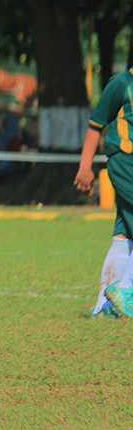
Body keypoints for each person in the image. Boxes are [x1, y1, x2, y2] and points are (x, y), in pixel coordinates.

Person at [75, 66, 133, 317]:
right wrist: (85, 166)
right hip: (125, 161)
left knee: (124, 232)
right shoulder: (122, 83)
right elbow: (96, 124)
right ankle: (126, 290)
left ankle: (104, 306)